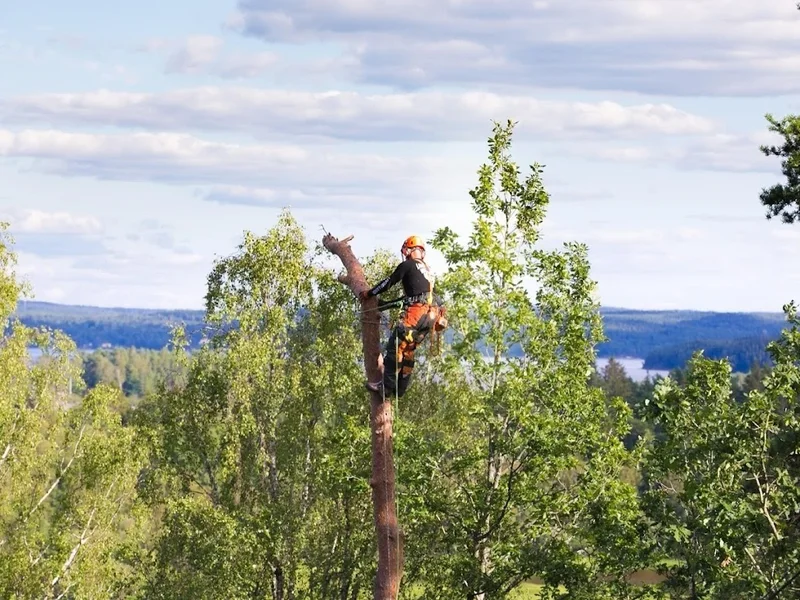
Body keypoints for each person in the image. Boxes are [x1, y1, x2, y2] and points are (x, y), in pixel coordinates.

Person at [359, 235, 446, 398]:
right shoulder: (427, 271)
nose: (405, 254)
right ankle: (400, 389)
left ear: (413, 250)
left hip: (416, 313)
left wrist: (369, 293)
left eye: (407, 250)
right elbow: (413, 297)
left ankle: (385, 388)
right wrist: (386, 303)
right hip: (429, 317)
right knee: (408, 351)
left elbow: (389, 282)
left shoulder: (408, 265)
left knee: (395, 346)